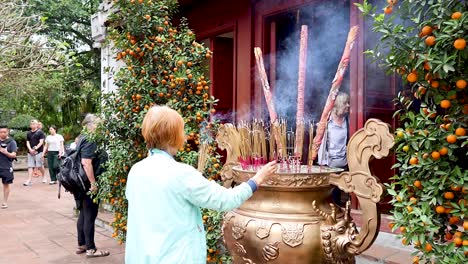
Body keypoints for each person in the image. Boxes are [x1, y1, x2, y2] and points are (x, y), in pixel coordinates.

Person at [125, 106, 277, 263]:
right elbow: (225, 200)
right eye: (181, 131)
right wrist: (256, 179)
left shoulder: (136, 171)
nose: (184, 136)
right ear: (173, 136)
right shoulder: (180, 174)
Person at [75, 114, 110, 258]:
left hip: (81, 182)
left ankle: (82, 244)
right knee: (90, 215)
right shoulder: (90, 139)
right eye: (98, 124)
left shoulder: (81, 138)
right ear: (91, 125)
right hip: (89, 183)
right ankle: (91, 249)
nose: (100, 127)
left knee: (83, 213)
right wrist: (93, 184)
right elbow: (86, 162)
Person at [318, 92, 350, 205]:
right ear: (337, 106)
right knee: (333, 196)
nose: (348, 106)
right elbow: (320, 144)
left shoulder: (349, 121)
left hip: (346, 163)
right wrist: (323, 164)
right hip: (330, 165)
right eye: (345, 103)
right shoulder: (326, 122)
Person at [24, 119, 46, 186]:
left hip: (38, 151)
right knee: (30, 166)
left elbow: (41, 142)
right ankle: (29, 180)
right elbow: (27, 142)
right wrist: (30, 149)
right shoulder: (28, 133)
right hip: (30, 152)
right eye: (31, 124)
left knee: (39, 166)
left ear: (37, 125)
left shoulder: (40, 132)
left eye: (34, 124)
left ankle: (44, 176)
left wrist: (36, 148)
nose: (32, 125)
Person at [0, 126, 17, 209]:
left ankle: (5, 202)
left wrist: (6, 152)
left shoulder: (11, 142)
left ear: (8, 132)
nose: (2, 133)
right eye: (0, 132)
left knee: (6, 184)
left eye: (4, 132)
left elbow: (14, 154)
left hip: (6, 166)